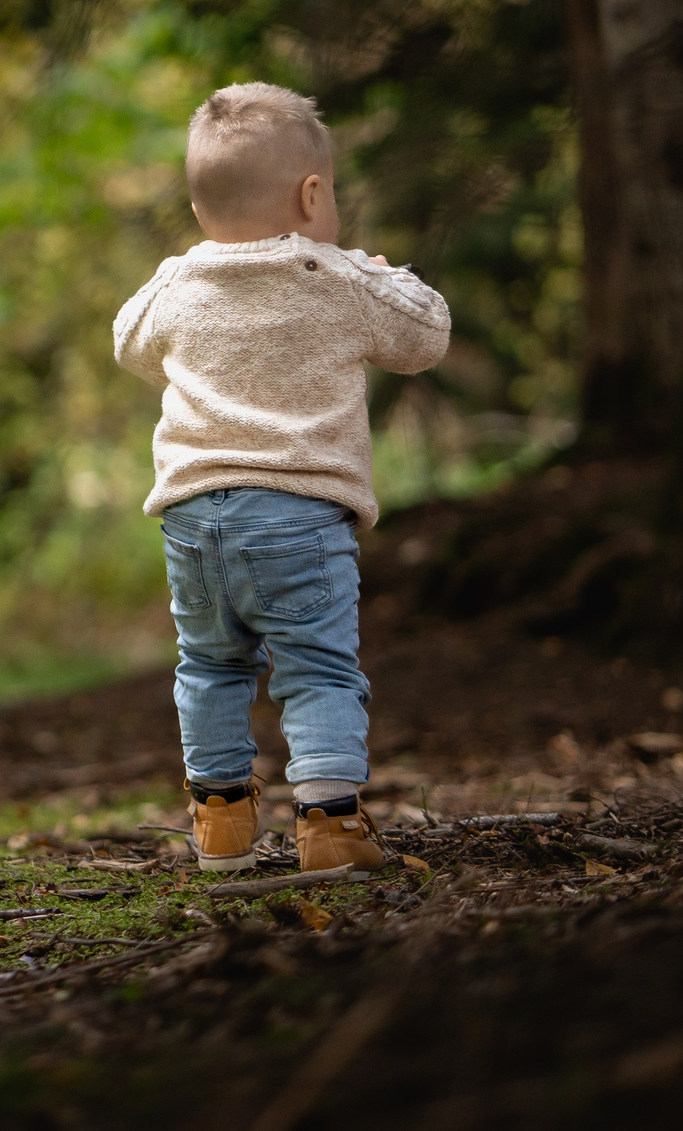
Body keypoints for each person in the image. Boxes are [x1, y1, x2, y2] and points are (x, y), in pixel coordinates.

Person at [112, 83, 449, 874]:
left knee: (208, 665)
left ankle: (221, 823)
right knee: (318, 668)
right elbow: (426, 333)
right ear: (311, 194)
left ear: (201, 210)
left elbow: (129, 340)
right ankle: (330, 826)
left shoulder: (180, 281)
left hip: (193, 519)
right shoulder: (334, 276)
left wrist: (180, 275)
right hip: (300, 516)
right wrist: (383, 273)